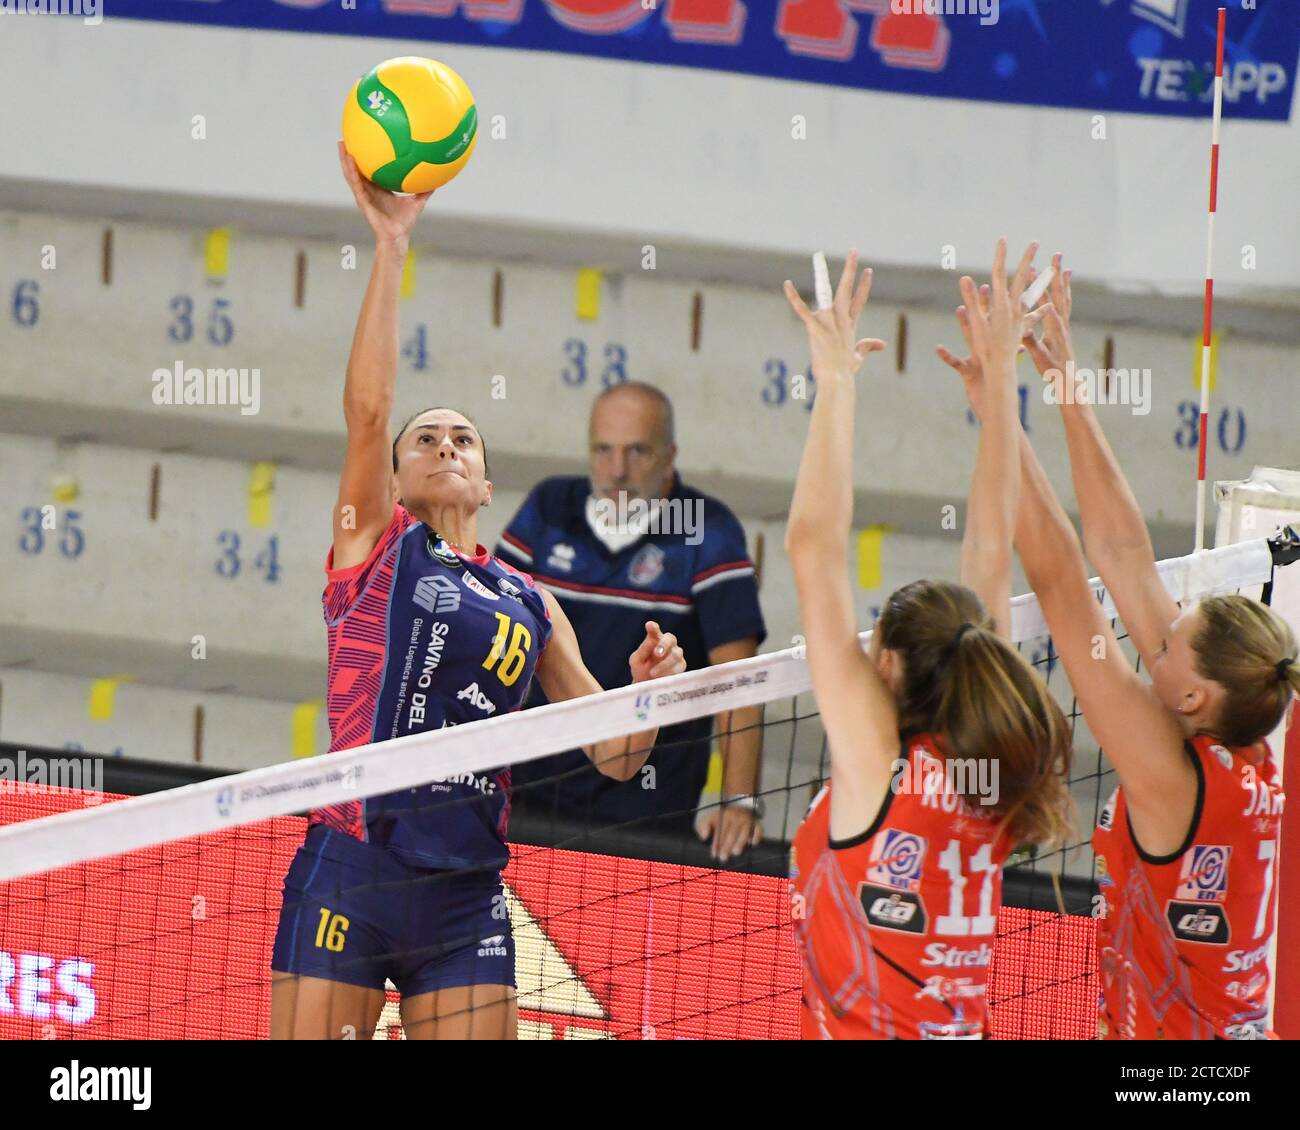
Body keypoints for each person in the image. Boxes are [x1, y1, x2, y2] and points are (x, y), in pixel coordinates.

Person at [268, 144, 685, 1041]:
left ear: (489, 485)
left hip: (466, 901)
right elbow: (370, 410)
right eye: (427, 440)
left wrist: (647, 694)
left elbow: (616, 754)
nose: (447, 445)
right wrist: (391, 246)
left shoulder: (530, 602)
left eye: (464, 438)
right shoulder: (376, 548)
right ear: (396, 476)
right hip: (351, 868)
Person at [942, 255, 1297, 1040]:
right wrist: (1061, 382)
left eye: (1168, 641)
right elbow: (1124, 557)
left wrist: (1001, 409)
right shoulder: (1243, 732)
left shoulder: (1173, 781)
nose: (1154, 633)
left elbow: (1069, 589)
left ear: (1192, 694)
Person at [785, 243, 1074, 1039]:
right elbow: (988, 549)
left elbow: (812, 545)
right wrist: (1000, 390)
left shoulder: (878, 762)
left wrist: (837, 379)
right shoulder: (993, 757)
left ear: (886, 663)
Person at [495, 381, 767, 860]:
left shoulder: (707, 528)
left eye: (637, 451)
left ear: (670, 454)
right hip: (526, 803)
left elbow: (739, 683)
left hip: (646, 816)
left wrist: (739, 801)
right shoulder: (548, 507)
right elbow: (488, 637)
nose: (617, 469)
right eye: (603, 450)